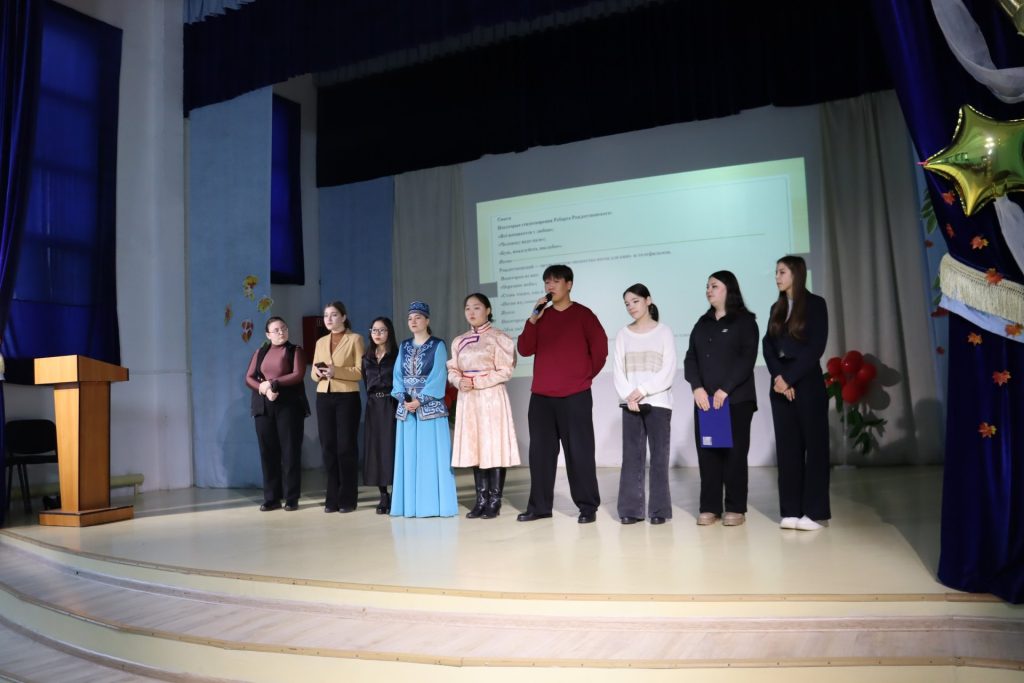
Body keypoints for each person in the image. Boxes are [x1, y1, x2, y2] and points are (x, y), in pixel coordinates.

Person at [517, 264, 608, 524]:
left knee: (579, 453)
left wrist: (582, 377)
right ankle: (539, 507)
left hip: (575, 395)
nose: (550, 286)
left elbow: (600, 350)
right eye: (547, 281)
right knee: (540, 455)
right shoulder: (541, 318)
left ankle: (587, 506)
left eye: (555, 281)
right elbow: (524, 349)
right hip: (541, 397)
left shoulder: (584, 315)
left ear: (569, 284)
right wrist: (532, 320)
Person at [683, 271, 759, 527]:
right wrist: (697, 388)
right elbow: (690, 358)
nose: (708, 290)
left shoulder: (745, 321)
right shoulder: (702, 323)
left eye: (714, 286)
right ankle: (710, 507)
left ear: (729, 289)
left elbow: (747, 359)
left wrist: (725, 389)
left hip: (736, 400)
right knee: (708, 454)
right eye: (707, 286)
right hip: (706, 402)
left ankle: (736, 507)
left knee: (735, 454)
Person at [762, 255, 831, 531]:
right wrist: (779, 378)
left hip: (807, 382)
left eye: (782, 272)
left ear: (796, 274)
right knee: (788, 449)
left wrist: (790, 378)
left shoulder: (816, 304)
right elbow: (768, 346)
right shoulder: (776, 308)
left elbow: (816, 347)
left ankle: (815, 513)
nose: (777, 277)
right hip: (780, 385)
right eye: (776, 272)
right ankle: (790, 510)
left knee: (814, 448)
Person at [448, 293, 521, 519]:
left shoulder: (499, 338)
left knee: (493, 445)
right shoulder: (459, 341)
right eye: (467, 308)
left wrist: (477, 382)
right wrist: (458, 381)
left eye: (477, 307)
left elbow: (505, 371)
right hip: (469, 399)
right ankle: (480, 499)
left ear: (488, 310)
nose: (471, 312)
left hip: (491, 397)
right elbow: (453, 369)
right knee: (475, 446)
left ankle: (494, 500)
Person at [613, 284, 676, 525]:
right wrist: (630, 396)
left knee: (659, 458)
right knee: (631, 457)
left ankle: (659, 510)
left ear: (648, 300)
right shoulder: (623, 334)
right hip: (631, 404)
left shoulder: (664, 332)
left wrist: (643, 390)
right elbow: (618, 371)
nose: (631, 307)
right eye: (627, 303)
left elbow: (668, 370)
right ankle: (631, 510)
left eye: (635, 301)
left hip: (658, 403)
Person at [391, 301, 458, 517]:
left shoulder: (438, 345)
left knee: (430, 459)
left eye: (418, 317)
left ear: (427, 320)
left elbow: (439, 376)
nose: (413, 321)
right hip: (407, 409)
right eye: (410, 318)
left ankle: (433, 506)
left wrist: (420, 400)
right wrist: (403, 398)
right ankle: (410, 506)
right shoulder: (404, 346)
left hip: (430, 409)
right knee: (409, 459)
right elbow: (397, 376)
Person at [245, 316, 309, 511]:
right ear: (268, 334)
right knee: (268, 453)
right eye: (276, 330)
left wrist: (272, 384)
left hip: (289, 406)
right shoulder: (260, 352)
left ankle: (291, 497)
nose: (281, 332)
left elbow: (297, 375)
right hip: (263, 406)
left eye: (284, 328)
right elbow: (249, 378)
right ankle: (272, 498)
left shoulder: (295, 350)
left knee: (290, 452)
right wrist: (263, 389)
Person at [311, 301, 364, 513]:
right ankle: (331, 497)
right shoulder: (321, 342)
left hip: (347, 397)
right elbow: (313, 373)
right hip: (324, 396)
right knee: (328, 447)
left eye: (333, 315)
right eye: (326, 315)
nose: (329, 319)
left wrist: (337, 371)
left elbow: (360, 372)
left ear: (343, 317)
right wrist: (319, 373)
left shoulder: (355, 339)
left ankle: (348, 498)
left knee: (346, 447)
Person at [362, 316, 399, 514]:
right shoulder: (366, 357)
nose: (377, 334)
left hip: (391, 403)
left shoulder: (396, 356)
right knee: (375, 449)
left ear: (389, 332)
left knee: (391, 448)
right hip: (373, 406)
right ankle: (383, 494)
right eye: (374, 330)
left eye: (382, 330)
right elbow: (365, 382)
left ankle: (397, 492)